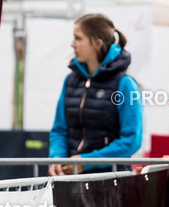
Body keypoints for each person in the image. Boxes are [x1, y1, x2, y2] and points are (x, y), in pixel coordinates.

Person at [48, 14, 142, 176]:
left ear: (97, 43)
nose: (72, 44)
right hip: (69, 179)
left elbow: (131, 140)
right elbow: (59, 130)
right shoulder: (70, 80)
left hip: (112, 180)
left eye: (78, 38)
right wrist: (57, 158)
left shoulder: (125, 84)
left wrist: (87, 162)